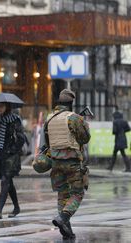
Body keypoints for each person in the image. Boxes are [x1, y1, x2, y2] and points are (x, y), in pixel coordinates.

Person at [44, 89, 90, 241]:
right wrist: (85, 124)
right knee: (78, 193)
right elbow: (85, 139)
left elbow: (47, 143)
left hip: (56, 163)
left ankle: (67, 231)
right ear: (71, 103)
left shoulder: (49, 119)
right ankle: (63, 218)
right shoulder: (74, 118)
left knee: (62, 195)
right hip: (72, 162)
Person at [0, 102, 25, 219]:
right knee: (9, 183)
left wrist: (12, 150)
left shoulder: (14, 119)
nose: (0, 108)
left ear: (7, 107)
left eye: (2, 106)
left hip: (11, 155)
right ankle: (17, 207)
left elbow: (21, 138)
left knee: (5, 180)